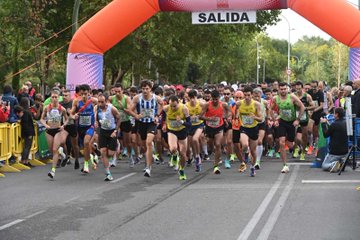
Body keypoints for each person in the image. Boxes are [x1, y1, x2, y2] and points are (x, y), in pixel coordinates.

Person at [130, 79, 163, 177]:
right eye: (143, 88)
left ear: (150, 89)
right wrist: (136, 116)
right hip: (142, 123)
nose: (145, 91)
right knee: (144, 146)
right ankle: (149, 158)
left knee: (148, 142)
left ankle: (149, 168)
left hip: (151, 123)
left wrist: (157, 115)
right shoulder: (137, 98)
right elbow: (130, 110)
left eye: (147, 89)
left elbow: (162, 104)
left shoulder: (156, 98)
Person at [270, 82, 305, 173]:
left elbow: (302, 107)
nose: (283, 91)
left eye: (285, 89)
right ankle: (285, 165)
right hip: (282, 121)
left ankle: (297, 147)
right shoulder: (275, 98)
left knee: (290, 144)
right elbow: (270, 109)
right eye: (281, 89)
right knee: (281, 142)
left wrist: (297, 119)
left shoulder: (292, 97)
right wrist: (275, 120)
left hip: (291, 123)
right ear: (278, 89)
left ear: (287, 89)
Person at [200, 90, 231, 174]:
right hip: (209, 127)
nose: (214, 101)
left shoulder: (223, 104)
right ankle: (215, 154)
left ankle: (216, 165)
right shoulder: (207, 105)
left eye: (216, 99)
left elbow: (229, 112)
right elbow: (200, 116)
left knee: (218, 144)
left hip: (219, 127)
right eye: (213, 99)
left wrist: (226, 117)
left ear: (219, 98)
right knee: (211, 145)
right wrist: (209, 119)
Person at [235, 86, 263, 177]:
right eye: (245, 95)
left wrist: (254, 117)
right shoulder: (239, 103)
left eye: (249, 95)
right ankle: (246, 153)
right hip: (244, 127)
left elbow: (261, 118)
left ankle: (252, 167)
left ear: (252, 95)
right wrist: (236, 116)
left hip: (254, 128)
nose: (247, 97)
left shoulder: (256, 104)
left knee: (254, 152)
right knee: (245, 145)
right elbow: (236, 111)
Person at [41, 91, 68, 179]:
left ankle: (53, 171)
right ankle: (62, 154)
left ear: (58, 98)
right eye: (53, 97)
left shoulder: (62, 108)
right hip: (49, 131)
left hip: (57, 130)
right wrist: (46, 125)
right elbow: (41, 119)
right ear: (50, 98)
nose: (54, 99)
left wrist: (63, 126)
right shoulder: (46, 108)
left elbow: (67, 119)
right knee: (51, 150)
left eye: (56, 97)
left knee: (54, 149)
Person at [162, 95, 191, 180]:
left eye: (174, 106)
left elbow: (189, 125)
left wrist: (182, 121)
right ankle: (174, 155)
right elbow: (163, 117)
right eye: (171, 106)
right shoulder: (166, 108)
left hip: (182, 130)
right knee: (173, 148)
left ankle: (181, 169)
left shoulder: (184, 109)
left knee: (183, 153)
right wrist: (164, 124)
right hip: (172, 130)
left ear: (178, 103)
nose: (173, 108)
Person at [95, 94, 121, 181]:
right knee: (103, 152)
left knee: (110, 153)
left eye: (102, 102)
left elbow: (119, 118)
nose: (100, 104)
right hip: (103, 131)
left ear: (106, 101)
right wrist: (97, 123)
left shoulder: (112, 109)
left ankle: (117, 144)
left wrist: (115, 131)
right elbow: (96, 118)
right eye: (99, 102)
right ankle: (108, 173)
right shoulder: (97, 108)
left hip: (112, 131)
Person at [320, 108, 348, 172]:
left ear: (337, 115)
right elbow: (334, 129)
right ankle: (340, 163)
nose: (333, 115)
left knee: (324, 165)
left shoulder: (334, 124)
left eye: (334, 113)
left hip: (334, 153)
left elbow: (326, 135)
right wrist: (327, 122)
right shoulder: (346, 123)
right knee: (340, 159)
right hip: (345, 152)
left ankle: (332, 164)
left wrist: (323, 124)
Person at [15, 99, 35, 168]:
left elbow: (25, 123)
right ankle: (25, 161)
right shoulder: (27, 112)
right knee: (27, 147)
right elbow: (27, 124)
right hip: (29, 132)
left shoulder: (24, 113)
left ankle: (25, 160)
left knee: (27, 147)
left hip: (27, 132)